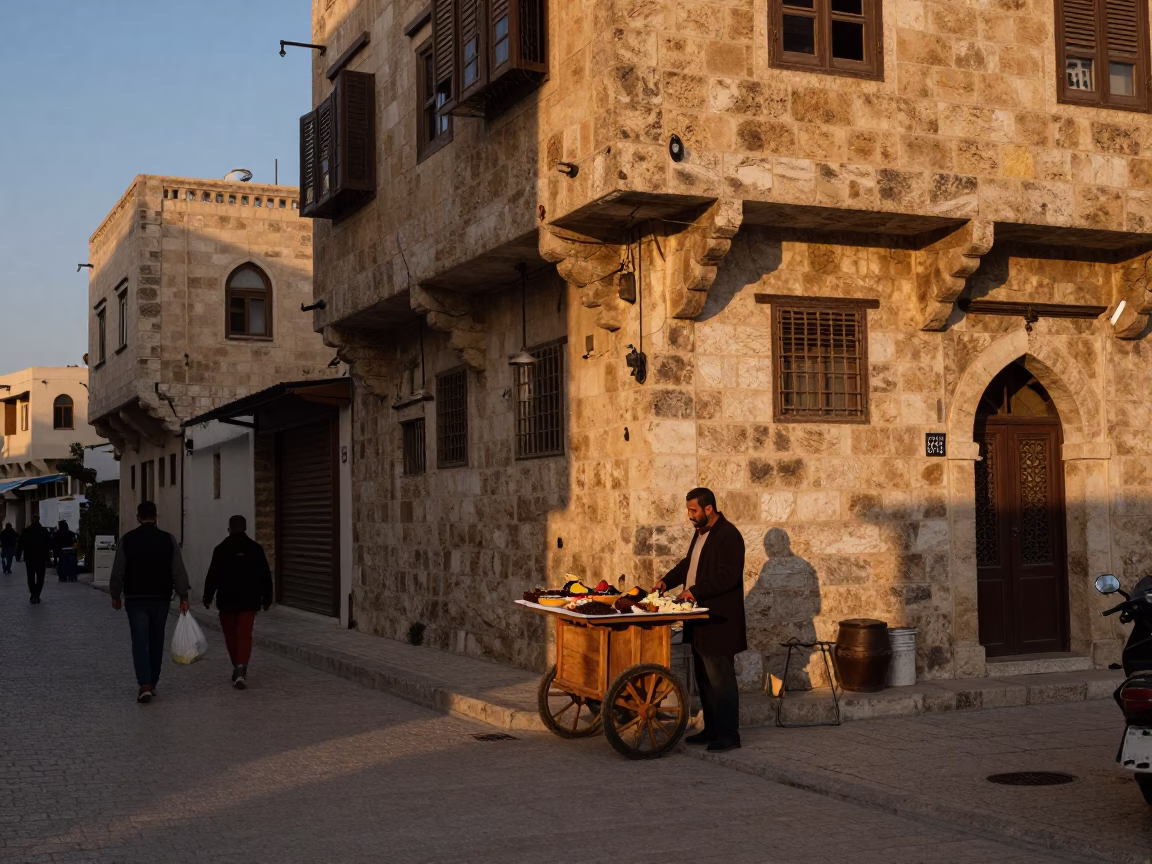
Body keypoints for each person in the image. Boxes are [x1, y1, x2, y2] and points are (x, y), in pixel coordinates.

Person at [654, 488, 747, 753]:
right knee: (704, 679)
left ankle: (729, 734)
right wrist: (666, 581)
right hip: (699, 620)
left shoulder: (729, 536)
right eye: (689, 510)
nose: (690, 516)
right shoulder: (700, 534)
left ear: (709, 509)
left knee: (721, 680)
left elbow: (727, 576)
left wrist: (695, 591)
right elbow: (689, 564)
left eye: (693, 510)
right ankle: (712, 729)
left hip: (719, 621)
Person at [109, 501, 190, 703]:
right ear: (156, 517)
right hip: (160, 598)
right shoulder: (168, 540)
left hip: (135, 599)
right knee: (156, 640)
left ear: (138, 517)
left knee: (139, 642)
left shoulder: (127, 540)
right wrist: (184, 596)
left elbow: (118, 570)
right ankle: (152, 682)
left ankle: (144, 684)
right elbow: (177, 570)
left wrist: (115, 594)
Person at [202, 515, 272, 690]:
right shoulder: (256, 549)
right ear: (245, 528)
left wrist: (207, 597)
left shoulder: (221, 549)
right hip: (250, 600)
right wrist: (267, 598)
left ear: (229, 528)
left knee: (231, 635)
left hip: (227, 600)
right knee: (244, 635)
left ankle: (237, 666)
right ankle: (241, 668)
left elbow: (213, 576)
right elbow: (265, 575)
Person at [17, 514, 51, 604]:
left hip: (30, 558)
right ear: (39, 520)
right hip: (41, 558)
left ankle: (33, 594)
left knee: (31, 577)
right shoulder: (44, 531)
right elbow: (49, 544)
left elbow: (20, 544)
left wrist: (18, 555)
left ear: (31, 520)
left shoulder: (26, 531)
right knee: (40, 577)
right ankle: (37, 594)